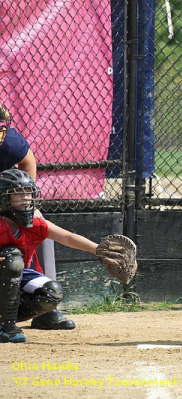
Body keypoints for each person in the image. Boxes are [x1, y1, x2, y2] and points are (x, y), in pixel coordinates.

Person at [0, 169, 101, 343]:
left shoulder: (34, 224)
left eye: (28, 193)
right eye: (17, 193)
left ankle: (10, 319)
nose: (26, 198)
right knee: (11, 260)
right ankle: (6, 327)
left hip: (14, 281)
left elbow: (67, 237)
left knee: (51, 293)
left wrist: (99, 250)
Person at [0, 104, 74, 330]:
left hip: (2, 194)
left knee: (26, 235)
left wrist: (24, 201)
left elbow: (27, 160)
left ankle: (44, 309)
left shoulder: (8, 143)